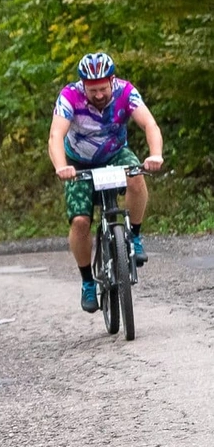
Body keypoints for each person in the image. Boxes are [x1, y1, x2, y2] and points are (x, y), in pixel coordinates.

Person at [48, 51, 164, 313]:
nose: (99, 95)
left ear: (112, 81)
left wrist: (155, 154)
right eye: (92, 90)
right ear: (83, 85)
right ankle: (88, 281)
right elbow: (56, 135)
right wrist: (61, 166)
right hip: (78, 163)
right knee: (80, 221)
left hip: (115, 153)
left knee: (136, 176)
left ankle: (134, 236)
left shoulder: (126, 92)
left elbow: (150, 125)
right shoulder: (69, 96)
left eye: (103, 88)